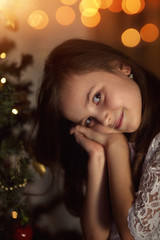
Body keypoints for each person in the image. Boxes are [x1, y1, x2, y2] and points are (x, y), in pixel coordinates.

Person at [34, 39, 160, 240]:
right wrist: (98, 155)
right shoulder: (119, 144)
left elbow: (134, 237)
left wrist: (116, 147)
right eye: (89, 120)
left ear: (122, 67)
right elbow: (96, 236)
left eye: (97, 97)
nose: (105, 120)